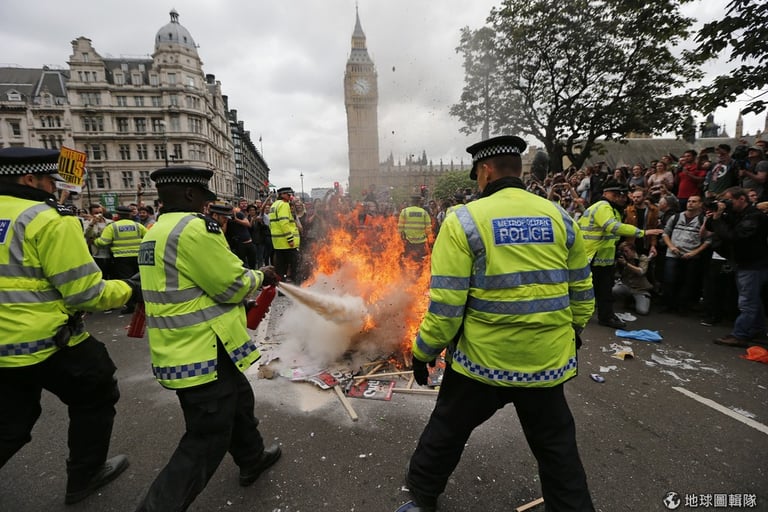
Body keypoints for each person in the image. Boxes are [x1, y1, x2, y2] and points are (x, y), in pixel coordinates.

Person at [402, 136, 596, 512]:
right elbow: (583, 293)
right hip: (545, 363)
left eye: (477, 174)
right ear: (518, 170)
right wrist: (572, 332)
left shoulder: (463, 221)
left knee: (447, 430)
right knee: (558, 451)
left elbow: (446, 308)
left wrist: (423, 351)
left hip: (482, 362)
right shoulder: (560, 217)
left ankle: (422, 493)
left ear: (485, 171)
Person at [135, 166, 281, 512]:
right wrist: (261, 276)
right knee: (207, 437)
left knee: (239, 402)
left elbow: (192, 285)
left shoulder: (156, 231)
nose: (207, 204)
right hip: (202, 350)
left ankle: (252, 458)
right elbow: (230, 285)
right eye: (204, 196)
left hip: (184, 346)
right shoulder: (195, 229)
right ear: (190, 194)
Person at [0, 147, 136, 505]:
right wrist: (130, 289)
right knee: (97, 390)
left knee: (11, 424)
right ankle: (85, 474)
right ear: (30, 179)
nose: (53, 188)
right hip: (44, 340)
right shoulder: (48, 219)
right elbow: (86, 293)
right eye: (49, 180)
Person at [578, 179, 664, 328]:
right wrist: (642, 232)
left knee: (603, 290)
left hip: (601, 257)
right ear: (606, 193)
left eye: (622, 194)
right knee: (589, 290)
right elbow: (613, 227)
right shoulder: (603, 207)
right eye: (616, 194)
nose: (620, 197)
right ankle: (584, 317)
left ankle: (605, 317)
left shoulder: (612, 209)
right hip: (593, 257)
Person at [706, 187, 768, 347]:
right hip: (744, 263)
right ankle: (758, 331)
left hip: (753, 264)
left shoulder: (754, 216)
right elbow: (712, 229)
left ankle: (740, 335)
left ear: (742, 199)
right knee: (753, 299)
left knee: (747, 301)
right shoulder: (737, 214)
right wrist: (715, 216)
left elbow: (733, 236)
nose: (727, 204)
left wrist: (719, 219)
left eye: (729, 200)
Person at [660, 195, 709, 315]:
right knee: (669, 280)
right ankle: (668, 304)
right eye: (689, 201)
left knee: (688, 282)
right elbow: (665, 233)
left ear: (700, 204)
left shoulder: (703, 220)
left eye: (694, 201)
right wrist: (671, 246)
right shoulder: (676, 217)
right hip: (673, 252)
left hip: (692, 254)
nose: (690, 203)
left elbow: (708, 240)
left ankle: (682, 307)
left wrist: (695, 252)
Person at [93, 204, 147, 314]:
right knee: (141, 280)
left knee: (127, 281)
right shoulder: (138, 225)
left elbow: (104, 242)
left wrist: (95, 241)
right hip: (138, 256)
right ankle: (143, 302)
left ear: (118, 215)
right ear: (129, 215)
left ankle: (131, 306)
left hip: (121, 258)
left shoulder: (112, 227)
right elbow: (148, 236)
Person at [269, 187, 302, 283]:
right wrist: (290, 239)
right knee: (295, 266)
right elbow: (284, 223)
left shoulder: (274, 205)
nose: (290, 196)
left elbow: (271, 225)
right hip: (287, 244)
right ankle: (297, 286)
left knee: (280, 268)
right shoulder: (284, 205)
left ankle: (281, 286)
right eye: (289, 194)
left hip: (278, 243)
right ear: (282, 195)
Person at [613, 242, 654, 315]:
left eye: (626, 251)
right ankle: (629, 299)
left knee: (642, 311)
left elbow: (641, 272)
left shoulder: (642, 258)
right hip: (627, 287)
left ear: (633, 250)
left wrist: (626, 264)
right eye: (623, 252)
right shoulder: (622, 259)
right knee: (614, 290)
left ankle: (638, 300)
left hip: (640, 289)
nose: (625, 253)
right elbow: (616, 274)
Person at [398, 195, 432, 263]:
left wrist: (401, 237)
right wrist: (428, 239)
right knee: (419, 260)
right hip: (421, 241)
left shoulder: (404, 211)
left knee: (409, 259)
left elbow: (400, 227)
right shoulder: (424, 212)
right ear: (419, 202)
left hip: (408, 241)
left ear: (411, 202)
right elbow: (428, 228)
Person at [84, 203, 113, 279]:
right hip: (96, 253)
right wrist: (92, 223)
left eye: (100, 212)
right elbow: (87, 235)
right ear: (91, 214)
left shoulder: (110, 222)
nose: (99, 214)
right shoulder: (87, 223)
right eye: (96, 213)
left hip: (109, 252)